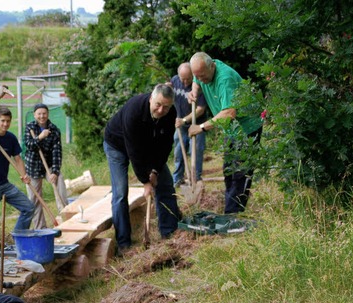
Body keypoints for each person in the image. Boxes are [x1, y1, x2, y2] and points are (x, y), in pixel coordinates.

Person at [103, 84, 181, 253]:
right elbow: (134, 153)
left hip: (148, 146)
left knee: (166, 184)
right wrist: (146, 182)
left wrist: (155, 171)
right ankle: (124, 243)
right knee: (120, 192)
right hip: (117, 145)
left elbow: (165, 146)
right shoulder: (134, 110)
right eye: (158, 104)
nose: (161, 110)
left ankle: (169, 232)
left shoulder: (170, 114)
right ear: (151, 98)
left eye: (166, 107)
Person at [187, 52, 263, 214]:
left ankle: (233, 215)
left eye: (203, 76)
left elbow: (229, 113)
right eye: (197, 76)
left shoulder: (224, 80)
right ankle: (231, 209)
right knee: (228, 170)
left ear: (212, 66)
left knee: (241, 171)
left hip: (247, 127)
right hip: (231, 129)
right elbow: (196, 79)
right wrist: (194, 91)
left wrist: (200, 127)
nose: (200, 80)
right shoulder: (202, 71)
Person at [24, 103, 69, 229]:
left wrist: (54, 171)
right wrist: (40, 137)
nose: (42, 116)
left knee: (59, 181)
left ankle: (65, 218)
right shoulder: (30, 128)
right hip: (33, 167)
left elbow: (57, 152)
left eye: (44, 113)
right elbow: (29, 145)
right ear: (34, 115)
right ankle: (40, 228)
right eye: (39, 114)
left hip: (48, 166)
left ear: (48, 114)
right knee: (35, 199)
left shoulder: (54, 130)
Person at [171, 62, 208, 185]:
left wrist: (184, 120)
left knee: (195, 152)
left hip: (196, 125)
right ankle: (177, 179)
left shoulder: (199, 86)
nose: (186, 82)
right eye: (183, 79)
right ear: (178, 76)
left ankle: (195, 179)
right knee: (178, 153)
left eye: (188, 78)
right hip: (180, 126)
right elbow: (168, 94)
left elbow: (200, 109)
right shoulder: (175, 81)